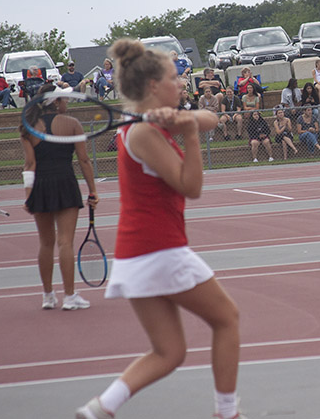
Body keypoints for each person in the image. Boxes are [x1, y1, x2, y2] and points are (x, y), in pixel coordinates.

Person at [74, 39, 242, 419]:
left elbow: (211, 118)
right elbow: (191, 187)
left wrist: (182, 120)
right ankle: (227, 413)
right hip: (159, 248)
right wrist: (191, 135)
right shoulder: (143, 133)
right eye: (174, 77)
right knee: (227, 318)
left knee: (169, 351)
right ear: (152, 85)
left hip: (138, 252)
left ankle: (100, 409)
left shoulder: (152, 123)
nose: (182, 83)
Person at [19, 84, 97, 312]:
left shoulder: (29, 126)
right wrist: (93, 191)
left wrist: (28, 195)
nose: (67, 103)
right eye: (65, 99)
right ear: (56, 102)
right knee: (65, 242)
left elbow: (29, 164)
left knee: (45, 242)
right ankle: (70, 296)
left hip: (40, 185)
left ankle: (48, 296)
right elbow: (84, 160)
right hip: (65, 183)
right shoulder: (72, 124)